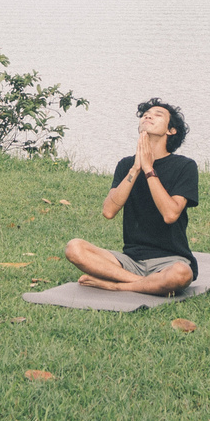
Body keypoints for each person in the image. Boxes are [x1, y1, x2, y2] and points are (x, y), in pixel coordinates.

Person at [64, 98, 199, 294]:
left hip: (170, 261)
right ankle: (142, 283)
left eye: (157, 114)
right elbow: (109, 211)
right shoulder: (126, 165)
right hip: (130, 260)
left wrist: (149, 169)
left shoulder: (184, 166)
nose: (148, 116)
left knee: (181, 275)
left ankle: (116, 285)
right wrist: (136, 168)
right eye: (146, 114)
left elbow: (170, 215)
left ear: (171, 130)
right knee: (74, 248)